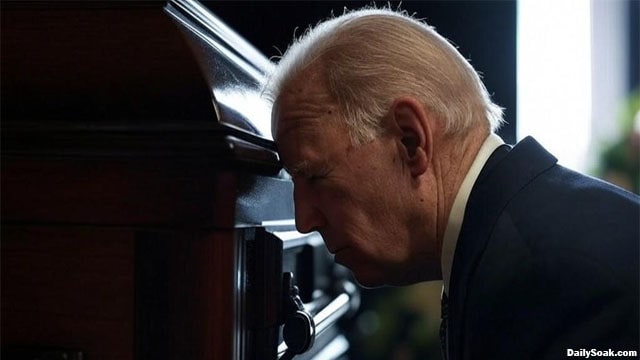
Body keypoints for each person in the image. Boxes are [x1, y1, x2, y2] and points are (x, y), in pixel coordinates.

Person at [264, 7, 640, 360]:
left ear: (410, 141)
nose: (304, 220)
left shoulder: (559, 280)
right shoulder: (515, 245)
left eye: (315, 176)